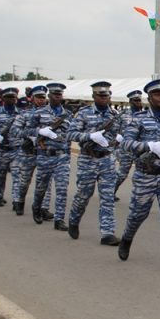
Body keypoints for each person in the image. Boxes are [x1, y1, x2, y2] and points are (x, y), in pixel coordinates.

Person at [118, 79, 160, 272]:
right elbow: (125, 144)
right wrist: (149, 146)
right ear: (149, 97)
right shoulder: (138, 119)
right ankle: (127, 238)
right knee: (138, 215)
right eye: (158, 94)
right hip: (145, 176)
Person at [66, 81, 121, 245]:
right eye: (100, 95)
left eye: (106, 95)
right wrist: (89, 136)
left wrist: (120, 138)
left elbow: (124, 132)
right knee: (84, 195)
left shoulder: (115, 115)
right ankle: (74, 219)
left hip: (107, 159)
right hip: (87, 159)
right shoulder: (84, 113)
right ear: (93, 96)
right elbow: (71, 134)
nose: (104, 98)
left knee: (108, 198)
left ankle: (107, 233)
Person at [30, 82, 74, 231]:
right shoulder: (38, 113)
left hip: (62, 157)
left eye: (60, 94)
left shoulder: (67, 114)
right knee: (41, 187)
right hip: (45, 155)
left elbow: (72, 132)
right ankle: (36, 207)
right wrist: (41, 132)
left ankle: (59, 219)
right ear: (49, 95)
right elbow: (28, 130)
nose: (57, 97)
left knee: (62, 188)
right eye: (55, 94)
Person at [10, 85, 52, 216]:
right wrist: (31, 134)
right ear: (32, 98)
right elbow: (14, 130)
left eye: (43, 97)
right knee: (24, 181)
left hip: (45, 153)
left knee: (46, 182)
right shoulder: (25, 113)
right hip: (29, 152)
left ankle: (43, 208)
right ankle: (19, 201)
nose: (41, 100)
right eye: (38, 97)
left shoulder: (51, 114)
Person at [114, 90, 145, 197]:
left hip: (139, 148)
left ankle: (139, 195)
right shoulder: (123, 115)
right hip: (125, 149)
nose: (138, 103)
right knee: (122, 174)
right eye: (136, 100)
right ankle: (111, 192)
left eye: (139, 100)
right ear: (130, 101)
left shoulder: (144, 116)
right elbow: (114, 129)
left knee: (141, 174)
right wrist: (117, 137)